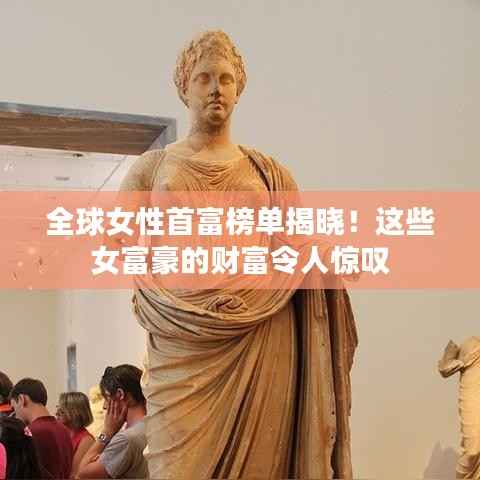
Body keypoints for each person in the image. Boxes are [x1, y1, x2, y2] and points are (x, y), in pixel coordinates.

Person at [117, 30, 358, 479]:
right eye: (204, 78)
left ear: (238, 89)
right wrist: (159, 290)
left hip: (262, 329)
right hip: (181, 337)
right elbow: (117, 239)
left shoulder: (268, 173)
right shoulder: (153, 168)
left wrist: (330, 256)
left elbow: (296, 242)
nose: (216, 89)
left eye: (226, 79)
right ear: (184, 86)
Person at [77, 365, 148, 479]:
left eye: (106, 398)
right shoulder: (153, 425)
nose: (105, 406)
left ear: (120, 394)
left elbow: (82, 474)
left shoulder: (126, 439)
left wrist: (107, 432)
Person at [9, 378, 73, 478]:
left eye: (14, 408)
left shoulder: (30, 432)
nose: (15, 415)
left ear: (22, 399)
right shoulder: (64, 430)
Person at [56, 392, 95, 478]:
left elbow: (74, 475)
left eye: (62, 410)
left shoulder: (86, 440)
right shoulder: (62, 434)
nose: (57, 413)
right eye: (58, 407)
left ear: (76, 412)